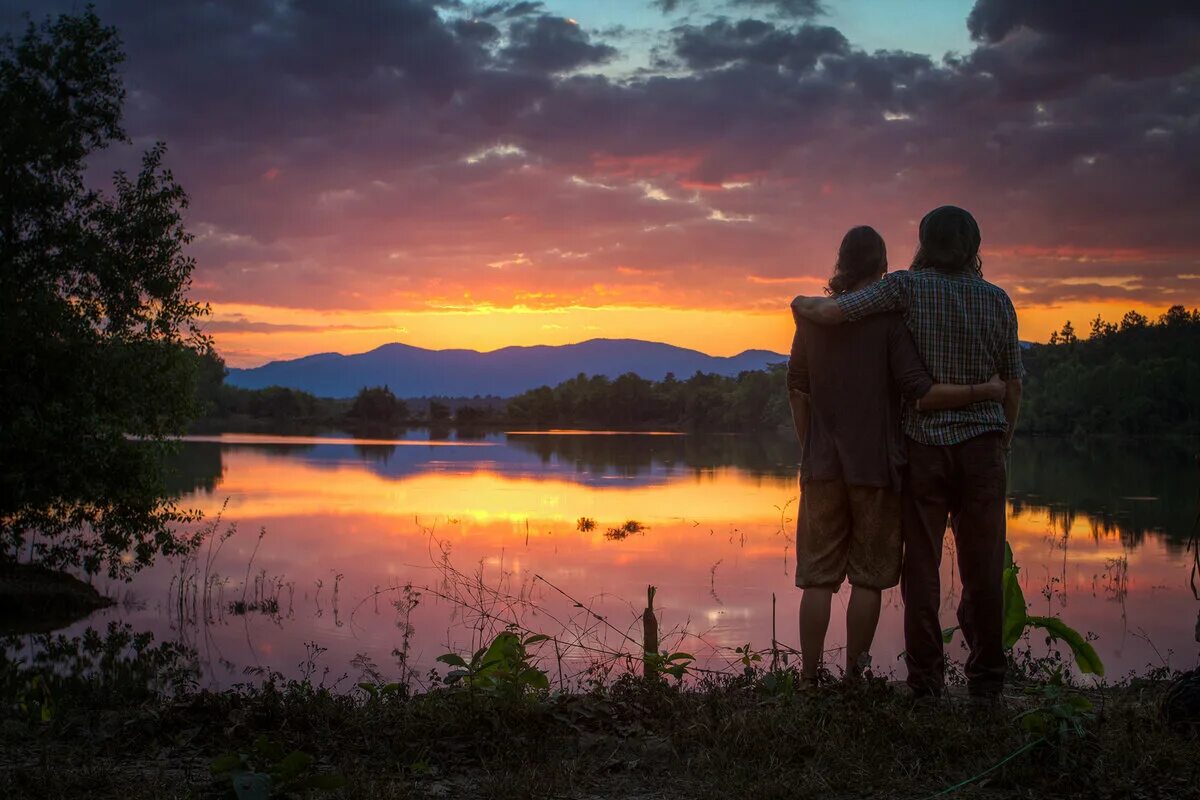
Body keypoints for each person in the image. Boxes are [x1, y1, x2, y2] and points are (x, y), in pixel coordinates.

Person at [791, 207, 1023, 700]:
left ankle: (907, 683)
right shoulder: (988, 303)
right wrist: (997, 426)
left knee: (897, 571)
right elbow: (999, 384)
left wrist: (802, 306)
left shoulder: (898, 293)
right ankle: (975, 684)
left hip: (895, 454)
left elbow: (812, 362)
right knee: (957, 571)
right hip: (935, 455)